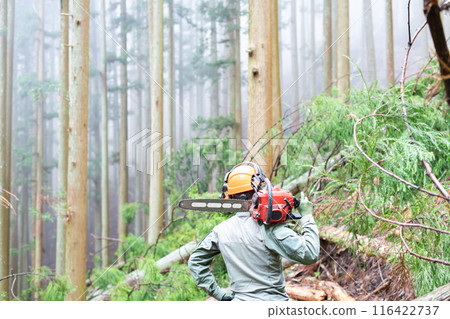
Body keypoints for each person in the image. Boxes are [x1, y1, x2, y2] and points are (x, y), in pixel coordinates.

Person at [188, 162, 320, 301]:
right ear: (258, 189)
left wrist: (218, 293)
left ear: (230, 196)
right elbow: (310, 254)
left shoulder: (220, 231)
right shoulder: (269, 227)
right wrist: (307, 216)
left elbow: (195, 261)